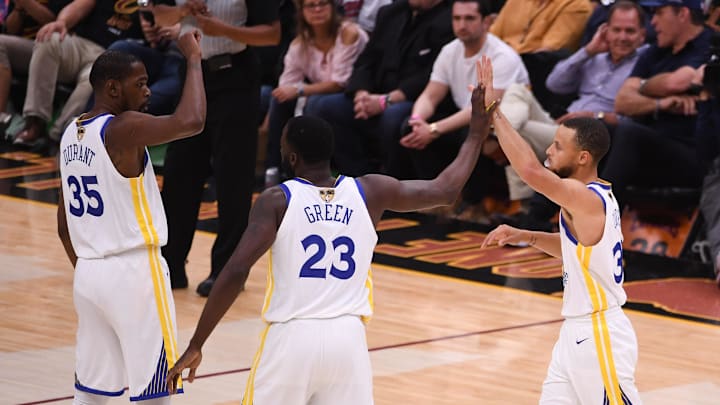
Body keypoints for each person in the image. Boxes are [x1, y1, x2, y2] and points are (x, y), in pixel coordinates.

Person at [166, 86, 497, 402]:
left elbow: (237, 269)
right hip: (348, 341)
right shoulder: (371, 191)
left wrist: (197, 342)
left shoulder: (276, 200)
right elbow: (445, 190)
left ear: (291, 157)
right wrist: (476, 132)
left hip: (292, 339)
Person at [478, 56, 641, 404]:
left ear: (583, 158)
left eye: (557, 147)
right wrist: (528, 236)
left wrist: (493, 110)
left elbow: (532, 173)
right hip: (575, 334)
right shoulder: (594, 199)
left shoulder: (583, 197)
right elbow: (578, 252)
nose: (549, 151)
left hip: (599, 333)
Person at [56, 30, 205, 403]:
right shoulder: (121, 129)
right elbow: (192, 120)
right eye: (140, 84)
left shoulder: (70, 135)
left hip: (89, 274)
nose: (148, 91)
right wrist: (193, 59)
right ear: (112, 89)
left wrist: (93, 268)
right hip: (135, 273)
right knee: (155, 390)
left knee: (91, 392)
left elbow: (63, 227)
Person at [150, 0, 281, 296]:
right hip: (193, 73)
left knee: (232, 179)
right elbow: (160, 15)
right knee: (179, 172)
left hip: (235, 75)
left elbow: (271, 34)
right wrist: (183, 12)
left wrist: (220, 28)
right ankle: (170, 265)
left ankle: (226, 271)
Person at [493, 0, 648, 227]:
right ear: (605, 30)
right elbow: (554, 83)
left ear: (642, 35)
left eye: (630, 31)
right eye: (616, 30)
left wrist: (593, 116)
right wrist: (588, 50)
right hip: (562, 124)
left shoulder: (644, 63)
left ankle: (499, 138)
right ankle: (498, 132)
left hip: (593, 134)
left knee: (517, 133)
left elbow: (631, 119)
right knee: (517, 91)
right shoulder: (595, 56)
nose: (622, 37)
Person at [392, 0, 528, 219]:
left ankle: (476, 204)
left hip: (503, 125)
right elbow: (430, 94)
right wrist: (418, 120)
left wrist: (434, 129)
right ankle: (436, 197)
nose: (462, 24)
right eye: (457, 18)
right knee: (410, 129)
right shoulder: (450, 50)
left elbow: (483, 109)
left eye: (469, 18)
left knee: (476, 134)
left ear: (487, 22)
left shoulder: (503, 56)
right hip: (467, 118)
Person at [307, 0, 454, 176]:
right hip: (374, 93)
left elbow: (432, 74)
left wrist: (386, 101)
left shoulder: (451, 19)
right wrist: (361, 94)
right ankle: (359, 177)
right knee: (323, 106)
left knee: (393, 116)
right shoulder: (390, 13)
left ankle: (394, 186)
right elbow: (366, 60)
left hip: (417, 99)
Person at [602, 0, 712, 210]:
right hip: (651, 146)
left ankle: (599, 221)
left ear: (683, 14)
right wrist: (662, 103)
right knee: (591, 130)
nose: (653, 22)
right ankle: (538, 217)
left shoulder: (709, 44)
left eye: (659, 13)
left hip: (691, 152)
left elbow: (676, 81)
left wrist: (642, 86)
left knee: (629, 133)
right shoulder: (656, 50)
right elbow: (622, 101)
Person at [13, 0, 149, 147]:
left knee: (96, 79)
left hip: (114, 56)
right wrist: (62, 22)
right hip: (82, 44)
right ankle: (35, 121)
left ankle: (60, 133)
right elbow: (80, 5)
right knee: (49, 38)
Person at [264, 0, 368, 187]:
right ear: (301, 11)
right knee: (278, 99)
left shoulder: (348, 33)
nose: (317, 9)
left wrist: (300, 90)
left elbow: (340, 82)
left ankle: (336, 173)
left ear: (333, 7)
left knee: (318, 104)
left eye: (323, 4)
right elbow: (286, 84)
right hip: (321, 97)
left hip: (359, 95)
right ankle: (277, 169)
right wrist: (290, 92)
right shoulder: (300, 42)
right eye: (311, 5)